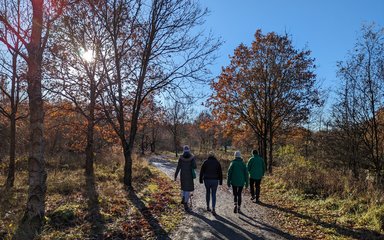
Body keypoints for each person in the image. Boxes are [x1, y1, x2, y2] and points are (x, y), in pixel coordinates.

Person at [175, 145, 197, 212]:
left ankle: (184, 198)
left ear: (183, 150)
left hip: (183, 175)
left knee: (184, 188)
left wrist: (175, 175)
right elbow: (195, 166)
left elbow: (178, 167)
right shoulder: (192, 157)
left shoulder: (181, 158)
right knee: (188, 190)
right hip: (189, 175)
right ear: (189, 150)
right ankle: (186, 204)